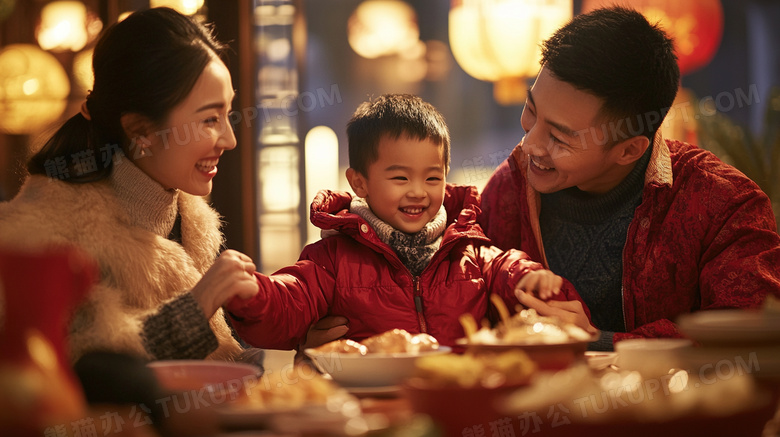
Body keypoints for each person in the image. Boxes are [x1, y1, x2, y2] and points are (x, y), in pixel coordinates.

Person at [478, 6, 780, 350]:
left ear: (629, 150)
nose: (529, 145)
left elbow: (748, 333)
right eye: (531, 110)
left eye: (559, 138)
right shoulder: (509, 189)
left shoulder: (724, 204)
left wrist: (599, 341)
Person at [0, 8, 260, 363]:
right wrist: (194, 309)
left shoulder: (192, 224)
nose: (229, 139)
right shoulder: (43, 237)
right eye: (210, 119)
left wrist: (294, 324)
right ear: (140, 130)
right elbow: (71, 369)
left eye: (228, 114)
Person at [225, 94, 583, 350]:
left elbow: (509, 269)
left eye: (432, 178)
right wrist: (253, 295)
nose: (418, 192)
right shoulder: (332, 259)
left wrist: (534, 279)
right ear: (360, 182)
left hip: (455, 399)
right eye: (399, 179)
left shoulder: (469, 251)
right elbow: (291, 299)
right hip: (370, 411)